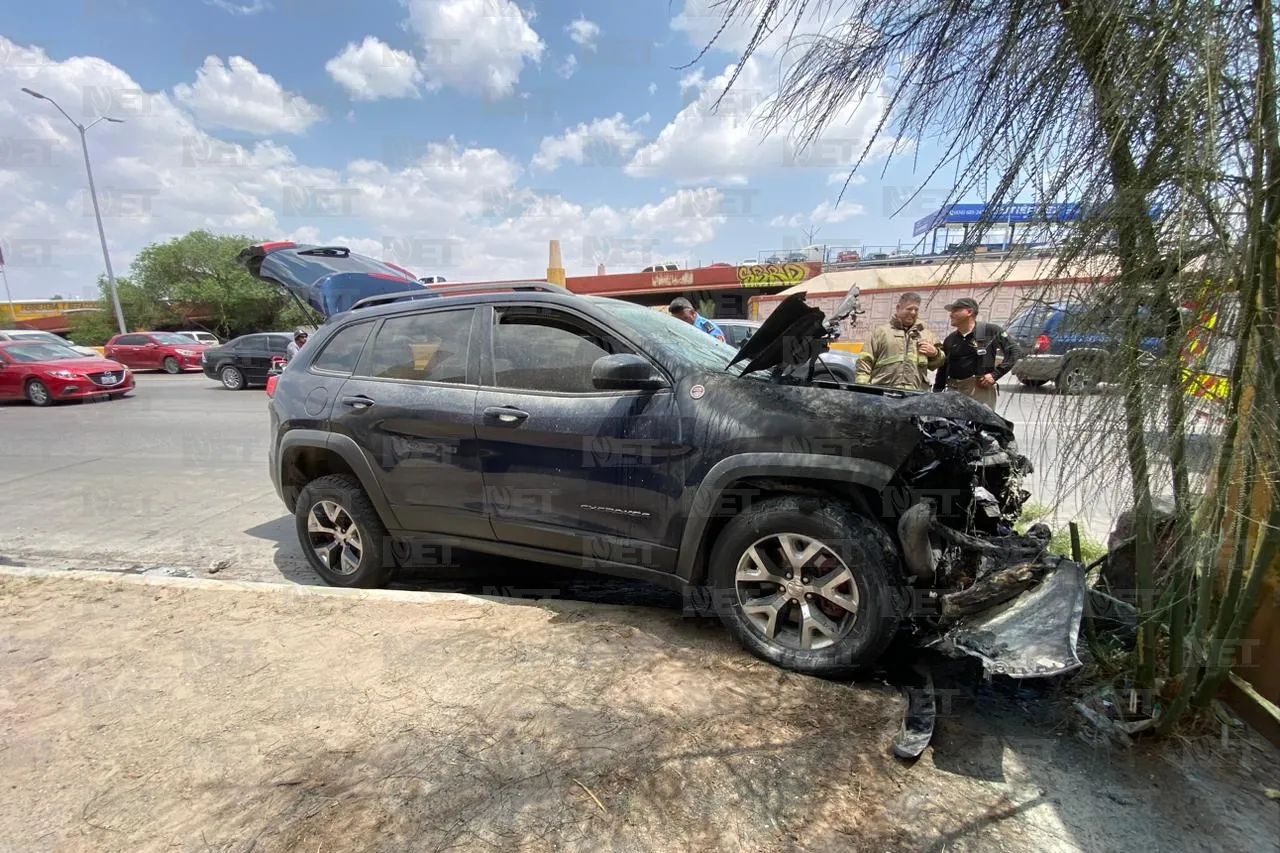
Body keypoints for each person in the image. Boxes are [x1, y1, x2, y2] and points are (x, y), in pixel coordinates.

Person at [932, 297, 1020, 408]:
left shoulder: (990, 331)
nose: (951, 314)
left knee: (980, 424)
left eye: (956, 311)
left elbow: (1014, 351)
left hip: (980, 391)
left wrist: (995, 374)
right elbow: (943, 368)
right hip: (953, 391)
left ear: (969, 312)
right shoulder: (950, 339)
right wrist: (937, 392)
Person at [855, 291, 946, 391]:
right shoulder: (880, 332)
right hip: (884, 394)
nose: (913, 312)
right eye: (909, 309)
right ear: (898, 308)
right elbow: (865, 361)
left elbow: (940, 361)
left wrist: (935, 353)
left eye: (916, 309)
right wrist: (862, 388)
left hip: (916, 395)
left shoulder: (927, 335)